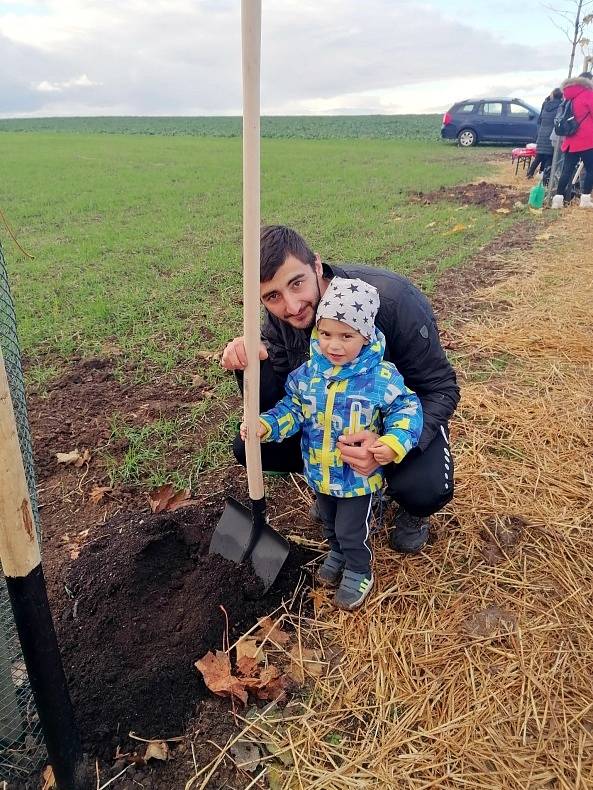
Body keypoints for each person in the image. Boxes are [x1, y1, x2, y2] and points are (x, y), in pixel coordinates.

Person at [222, 225, 460, 554]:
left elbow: (440, 388)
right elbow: (284, 405)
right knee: (249, 444)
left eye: (297, 283)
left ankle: (407, 508)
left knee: (424, 489)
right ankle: (335, 490)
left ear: (317, 266)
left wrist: (391, 444)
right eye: (272, 296)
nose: (290, 306)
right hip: (333, 426)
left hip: (396, 421)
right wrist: (253, 366)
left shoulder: (393, 301)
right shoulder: (279, 321)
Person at [240, 278, 423, 610]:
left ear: (365, 336)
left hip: (357, 479)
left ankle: (358, 568)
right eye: (326, 334)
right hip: (320, 472)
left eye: (346, 336)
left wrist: (394, 441)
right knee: (328, 521)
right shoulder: (307, 375)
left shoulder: (381, 378)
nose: (334, 346)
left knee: (352, 530)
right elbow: (292, 409)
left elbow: (407, 409)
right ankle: (336, 552)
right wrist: (267, 424)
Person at [551, 75, 593, 208]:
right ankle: (585, 199)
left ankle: (557, 200)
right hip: (588, 140)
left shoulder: (567, 97)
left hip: (570, 140)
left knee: (566, 170)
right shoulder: (588, 94)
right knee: (591, 169)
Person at [527, 88, 563, 179]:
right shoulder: (560, 106)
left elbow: (539, 119)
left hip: (542, 133)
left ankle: (529, 174)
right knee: (549, 157)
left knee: (539, 156)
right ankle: (545, 177)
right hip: (552, 134)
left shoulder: (546, 105)